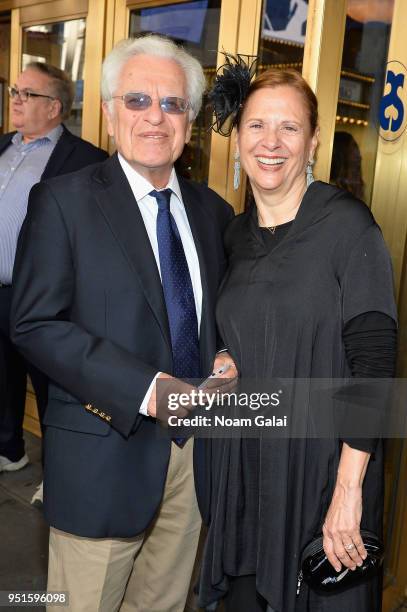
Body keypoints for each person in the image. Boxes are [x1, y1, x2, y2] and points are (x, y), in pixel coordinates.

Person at [11, 35, 235, 612]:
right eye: (137, 101)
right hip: (102, 459)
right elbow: (35, 323)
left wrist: (226, 354)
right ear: (109, 112)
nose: (155, 118)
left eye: (172, 103)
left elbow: (210, 315)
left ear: (191, 120)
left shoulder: (214, 212)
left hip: (191, 459)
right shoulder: (63, 201)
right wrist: (145, 388)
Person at [198, 61, 397, 611]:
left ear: (312, 143)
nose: (272, 142)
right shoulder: (234, 235)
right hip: (245, 468)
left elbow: (377, 368)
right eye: (257, 125)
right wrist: (227, 355)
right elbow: (242, 324)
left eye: (289, 128)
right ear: (237, 138)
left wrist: (348, 492)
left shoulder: (349, 228)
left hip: (323, 474)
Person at [0, 62, 108, 481]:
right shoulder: (4, 146)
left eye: (28, 94)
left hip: (42, 297)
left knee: (51, 389)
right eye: (15, 91)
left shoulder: (86, 160)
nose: (16, 100)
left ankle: (58, 475)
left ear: (55, 107)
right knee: (2, 380)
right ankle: (10, 449)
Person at [330, 130, 365, 200]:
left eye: (357, 150)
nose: (359, 157)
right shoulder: (332, 192)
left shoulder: (351, 186)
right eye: (353, 149)